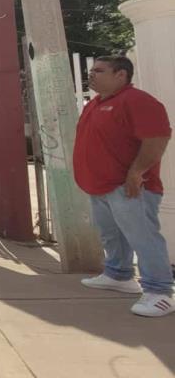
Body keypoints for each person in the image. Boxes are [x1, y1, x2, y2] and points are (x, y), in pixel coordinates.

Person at [74, 55, 173, 318]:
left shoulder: (138, 101)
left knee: (144, 237)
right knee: (112, 235)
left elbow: (157, 137)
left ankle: (160, 292)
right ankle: (118, 275)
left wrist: (137, 172)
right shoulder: (95, 104)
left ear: (121, 75)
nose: (92, 74)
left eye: (99, 70)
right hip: (101, 186)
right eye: (91, 70)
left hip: (130, 186)